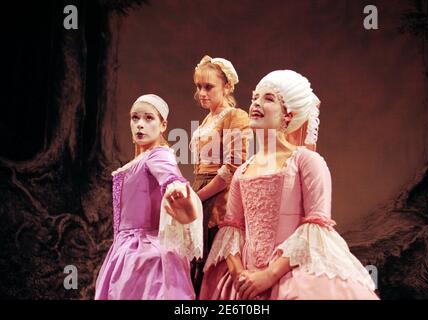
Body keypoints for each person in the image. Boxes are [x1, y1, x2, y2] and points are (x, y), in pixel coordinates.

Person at [199, 70, 379, 300]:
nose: (256, 103)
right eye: (255, 97)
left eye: (269, 98)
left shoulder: (306, 160)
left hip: (292, 272)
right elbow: (231, 228)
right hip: (245, 279)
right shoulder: (242, 171)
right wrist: (240, 276)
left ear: (288, 115)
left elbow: (316, 225)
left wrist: (269, 275)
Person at [95, 94, 203, 300]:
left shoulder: (159, 155)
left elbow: (171, 178)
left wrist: (177, 192)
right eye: (135, 118)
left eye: (148, 118)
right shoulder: (139, 160)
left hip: (144, 255)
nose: (140, 125)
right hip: (125, 250)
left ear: (163, 125)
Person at [189, 55, 251, 296]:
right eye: (198, 87)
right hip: (202, 188)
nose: (202, 93)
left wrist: (199, 196)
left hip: (219, 196)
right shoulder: (208, 119)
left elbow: (232, 168)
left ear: (227, 86)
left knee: (213, 261)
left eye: (208, 86)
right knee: (196, 259)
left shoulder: (235, 116)